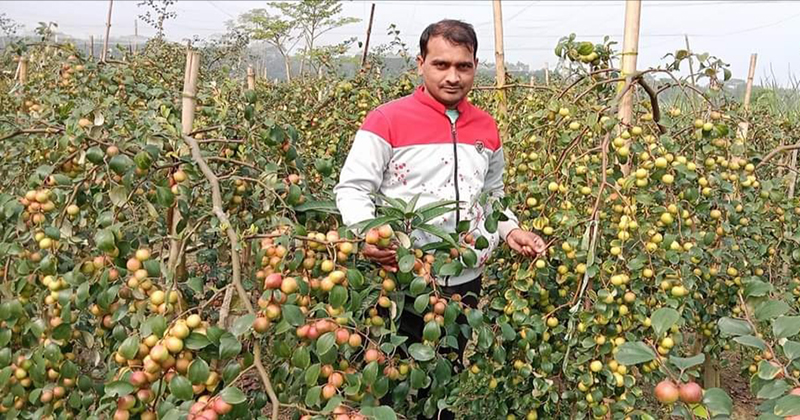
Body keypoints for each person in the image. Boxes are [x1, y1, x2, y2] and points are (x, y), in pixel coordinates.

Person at [334, 19, 546, 419]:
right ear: (420, 63)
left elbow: (492, 194)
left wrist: (510, 229)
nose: (453, 76)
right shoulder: (387, 119)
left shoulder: (486, 127)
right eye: (441, 64)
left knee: (445, 383)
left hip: (463, 281)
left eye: (463, 66)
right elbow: (352, 189)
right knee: (386, 381)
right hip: (398, 281)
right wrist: (366, 234)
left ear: (475, 65)